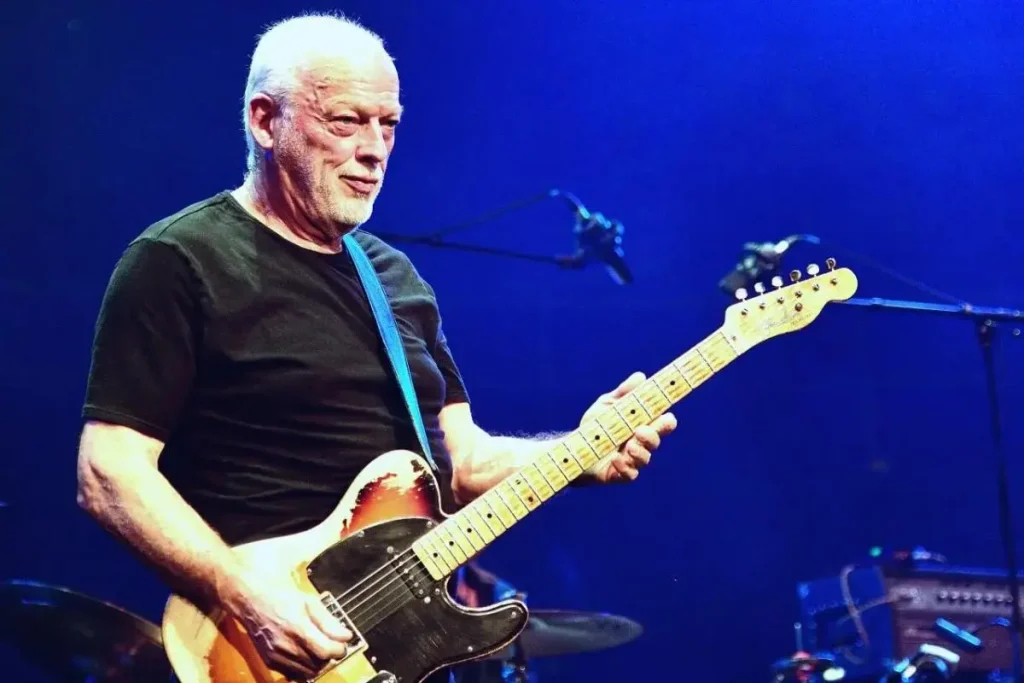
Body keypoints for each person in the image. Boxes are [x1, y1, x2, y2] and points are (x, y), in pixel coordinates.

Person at [75, 12, 677, 683]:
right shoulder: (179, 260)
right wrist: (245, 595)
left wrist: (579, 450)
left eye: (387, 124)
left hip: (395, 653)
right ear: (264, 121)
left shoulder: (396, 280)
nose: (374, 148)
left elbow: (464, 462)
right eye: (345, 121)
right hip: (255, 649)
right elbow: (109, 473)